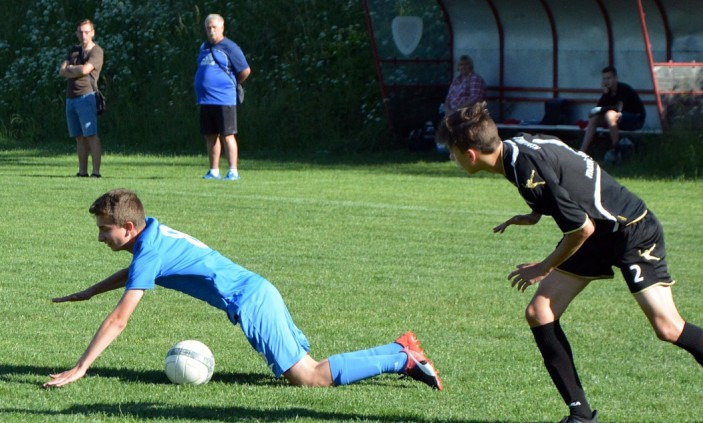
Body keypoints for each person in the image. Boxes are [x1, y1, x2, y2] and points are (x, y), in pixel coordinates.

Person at [435, 102, 703, 423]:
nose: (452, 158)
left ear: (470, 154)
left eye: (452, 152)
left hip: (630, 230)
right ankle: (581, 415)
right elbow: (561, 171)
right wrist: (535, 213)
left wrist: (542, 267)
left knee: (667, 327)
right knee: (539, 312)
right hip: (597, 231)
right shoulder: (516, 149)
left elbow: (580, 228)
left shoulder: (525, 166)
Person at [44, 189, 443, 391]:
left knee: (310, 378)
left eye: (104, 230)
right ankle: (400, 349)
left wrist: (81, 367)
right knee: (309, 370)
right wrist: (91, 292)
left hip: (251, 301)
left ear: (128, 228)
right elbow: (137, 273)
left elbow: (120, 319)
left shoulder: (149, 251)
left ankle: (402, 358)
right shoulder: (153, 237)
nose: (100, 237)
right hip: (257, 292)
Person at [194, 14, 251, 181]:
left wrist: (230, 85)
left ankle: (233, 170)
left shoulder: (230, 47)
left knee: (228, 134)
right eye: (208, 28)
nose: (211, 31)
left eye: (214, 27)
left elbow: (245, 71)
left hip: (224, 99)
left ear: (222, 27)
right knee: (210, 135)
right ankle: (214, 170)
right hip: (206, 99)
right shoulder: (204, 47)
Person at [58, 19, 104, 178]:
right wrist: (74, 69)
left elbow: (85, 70)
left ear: (93, 33)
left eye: (86, 32)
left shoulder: (96, 51)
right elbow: (61, 71)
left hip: (87, 96)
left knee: (91, 134)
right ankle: (82, 171)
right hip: (71, 98)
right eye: (80, 32)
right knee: (79, 136)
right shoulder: (74, 51)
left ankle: (96, 172)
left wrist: (71, 68)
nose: (83, 35)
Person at [579, 66, 645, 158]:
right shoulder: (608, 92)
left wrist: (600, 109)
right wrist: (605, 95)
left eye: (609, 78)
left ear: (615, 78)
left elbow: (618, 108)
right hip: (618, 119)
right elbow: (599, 108)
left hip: (635, 119)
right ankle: (582, 152)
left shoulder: (624, 89)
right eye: (604, 79)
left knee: (609, 114)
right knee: (594, 118)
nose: (606, 81)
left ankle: (616, 149)